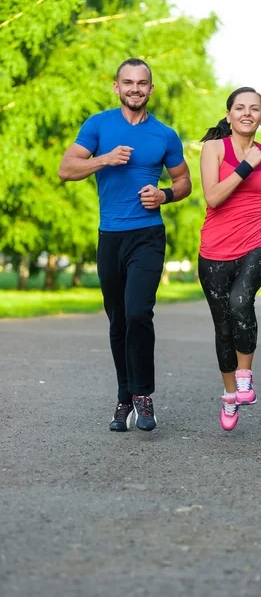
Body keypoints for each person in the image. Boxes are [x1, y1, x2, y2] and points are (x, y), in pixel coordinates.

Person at [58, 58, 191, 433]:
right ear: (117, 87)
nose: (136, 88)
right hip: (110, 236)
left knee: (137, 313)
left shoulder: (165, 135)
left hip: (147, 235)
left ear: (151, 88)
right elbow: (66, 170)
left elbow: (184, 182)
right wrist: (104, 159)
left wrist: (164, 194)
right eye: (128, 82)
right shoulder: (98, 125)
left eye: (142, 83)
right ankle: (124, 397)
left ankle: (144, 396)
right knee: (117, 320)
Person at [198, 87, 261, 431]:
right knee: (223, 328)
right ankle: (230, 395)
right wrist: (245, 167)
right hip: (215, 250)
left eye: (255, 108)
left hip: (257, 243)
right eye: (240, 108)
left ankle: (245, 377)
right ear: (230, 114)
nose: (247, 113)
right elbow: (213, 197)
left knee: (240, 300)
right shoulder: (213, 149)